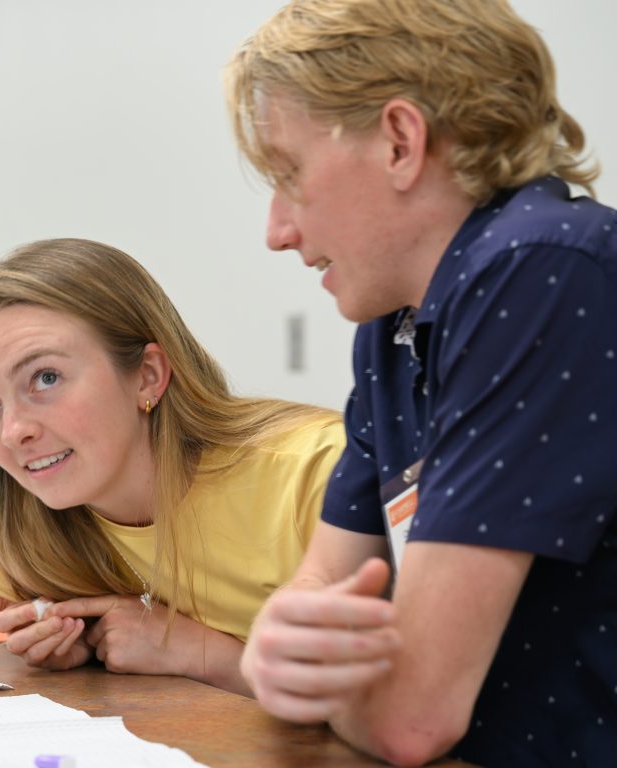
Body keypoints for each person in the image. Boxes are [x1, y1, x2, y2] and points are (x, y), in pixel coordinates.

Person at [225, 1, 616, 765]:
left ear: (401, 141)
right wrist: (277, 655)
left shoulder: (542, 267)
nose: (276, 230)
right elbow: (319, 601)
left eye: (289, 174)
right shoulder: (395, 324)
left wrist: (297, 677)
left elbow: (411, 717)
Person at [0, 237, 343, 695]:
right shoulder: (6, 533)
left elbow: (411, 709)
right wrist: (82, 652)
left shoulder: (319, 475)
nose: (14, 431)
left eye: (46, 378)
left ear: (148, 376)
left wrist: (199, 654)